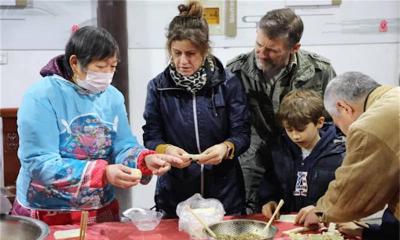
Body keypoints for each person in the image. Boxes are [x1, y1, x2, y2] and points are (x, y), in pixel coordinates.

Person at [11, 26, 182, 225]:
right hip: (48, 210)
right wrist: (103, 172)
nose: (108, 74)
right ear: (75, 63)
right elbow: (39, 163)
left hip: (98, 208)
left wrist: (145, 159)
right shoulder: (42, 96)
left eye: (113, 67)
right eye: (101, 67)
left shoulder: (113, 97)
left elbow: (123, 145)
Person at [142, 1, 250, 218]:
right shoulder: (158, 87)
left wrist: (225, 148)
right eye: (176, 52)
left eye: (190, 53)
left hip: (224, 190)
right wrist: (165, 150)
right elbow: (151, 136)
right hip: (175, 191)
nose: (182, 61)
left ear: (205, 50)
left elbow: (242, 134)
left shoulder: (228, 83)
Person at [226, 8, 336, 214]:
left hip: (304, 158)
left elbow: (334, 123)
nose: (261, 53)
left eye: (272, 50)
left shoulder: (320, 70)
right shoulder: (235, 71)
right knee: (257, 216)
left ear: (294, 47)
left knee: (307, 218)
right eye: (259, 45)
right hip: (254, 159)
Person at [297, 72, 399, 240]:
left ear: (344, 108)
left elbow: (355, 189)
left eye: (337, 123)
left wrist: (320, 211)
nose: (340, 130)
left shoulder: (368, 125)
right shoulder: (393, 95)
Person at [259, 89, 345, 219]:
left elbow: (345, 196)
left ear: (319, 122)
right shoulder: (279, 150)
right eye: (289, 130)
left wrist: (321, 210)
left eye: (301, 130)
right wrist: (270, 201)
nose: (295, 136)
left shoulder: (339, 153)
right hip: (287, 225)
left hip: (324, 227)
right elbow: (271, 183)